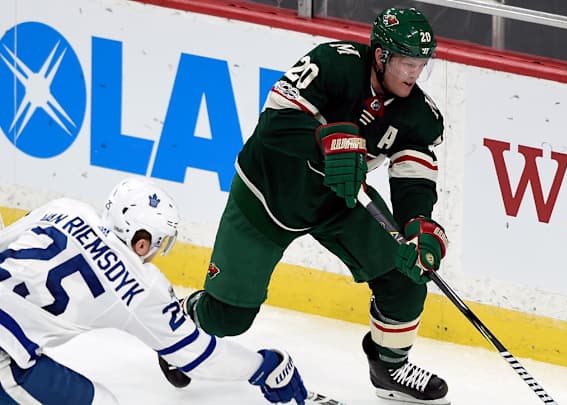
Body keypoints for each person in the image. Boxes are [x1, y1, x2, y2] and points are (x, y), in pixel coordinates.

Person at [161, 7, 451, 404]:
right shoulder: (332, 64)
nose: (414, 74)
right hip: (267, 193)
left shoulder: (420, 115)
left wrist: (418, 223)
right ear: (381, 56)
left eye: (421, 65)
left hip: (340, 200)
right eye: (406, 63)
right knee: (229, 318)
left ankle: (390, 368)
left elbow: (414, 178)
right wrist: (325, 139)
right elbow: (274, 124)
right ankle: (184, 317)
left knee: (407, 271)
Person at [0, 177, 307, 404]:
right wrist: (264, 366)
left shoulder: (66, 209)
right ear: (142, 242)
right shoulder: (140, 285)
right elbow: (198, 355)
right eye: (160, 243)